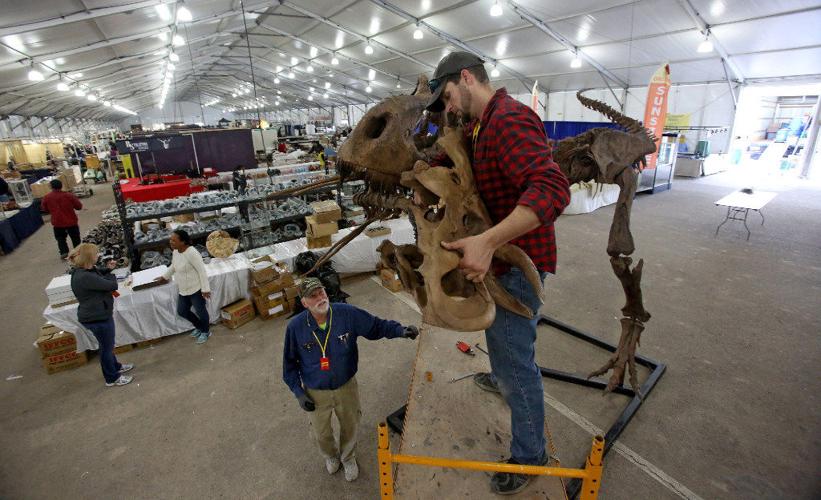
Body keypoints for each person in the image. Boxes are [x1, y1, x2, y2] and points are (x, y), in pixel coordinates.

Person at [424, 51, 571, 495]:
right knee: (502, 342)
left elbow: (552, 188)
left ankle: (530, 457)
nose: (447, 107)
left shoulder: (508, 119)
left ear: (467, 78)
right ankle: (499, 374)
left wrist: (487, 242)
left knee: (515, 363)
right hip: (499, 265)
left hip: (515, 267)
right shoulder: (478, 124)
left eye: (448, 95)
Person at [283, 277, 419, 482]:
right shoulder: (296, 327)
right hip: (315, 391)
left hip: (346, 386)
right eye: (313, 295)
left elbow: (376, 326)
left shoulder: (346, 314)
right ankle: (330, 456)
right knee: (321, 432)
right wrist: (299, 392)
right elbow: (289, 365)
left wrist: (400, 330)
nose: (320, 297)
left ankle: (348, 457)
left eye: (321, 292)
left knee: (350, 424)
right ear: (304, 303)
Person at [69, 243, 134, 387]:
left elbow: (97, 273)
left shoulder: (84, 271)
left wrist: (108, 269)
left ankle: (115, 366)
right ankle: (112, 378)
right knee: (106, 348)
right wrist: (111, 274)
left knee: (107, 346)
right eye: (96, 253)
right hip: (97, 317)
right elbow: (112, 285)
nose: (98, 255)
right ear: (89, 257)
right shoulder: (84, 277)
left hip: (98, 313)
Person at [155, 230, 212, 344]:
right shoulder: (176, 251)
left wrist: (205, 289)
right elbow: (174, 266)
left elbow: (202, 271)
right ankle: (200, 327)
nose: (171, 242)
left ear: (183, 242)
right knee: (182, 311)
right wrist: (165, 277)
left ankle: (206, 331)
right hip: (183, 289)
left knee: (201, 312)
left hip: (196, 289)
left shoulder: (192, 253)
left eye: (174, 240)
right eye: (170, 240)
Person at [41, 179, 83, 259]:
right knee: (75, 237)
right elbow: (79, 206)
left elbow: (44, 209)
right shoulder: (69, 195)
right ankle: (78, 252)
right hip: (71, 221)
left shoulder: (47, 197)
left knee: (60, 238)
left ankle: (64, 252)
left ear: (51, 187)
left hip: (57, 222)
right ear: (61, 186)